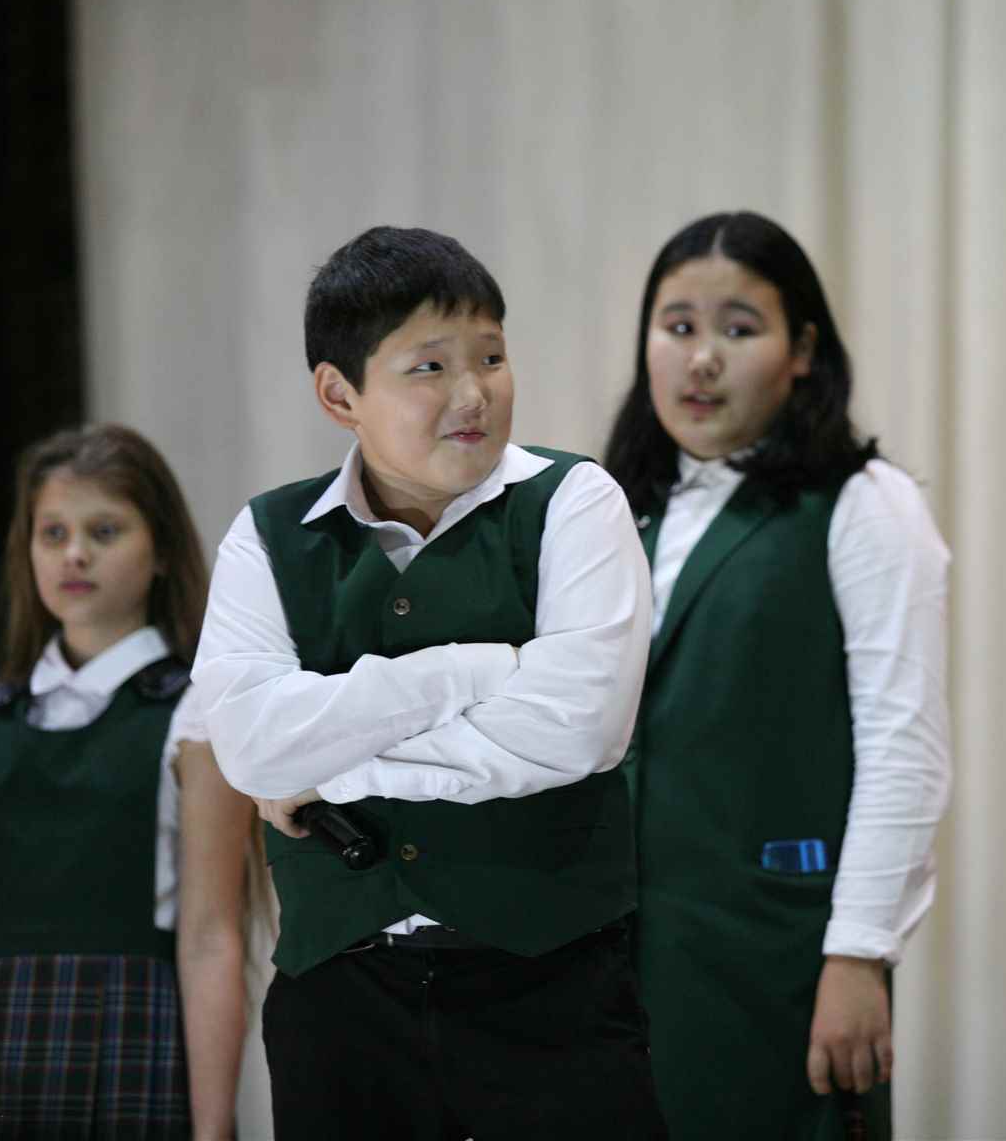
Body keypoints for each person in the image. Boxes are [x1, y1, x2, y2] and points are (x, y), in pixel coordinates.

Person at [192, 225, 668, 1139]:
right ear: (340, 394)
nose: (474, 392)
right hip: (340, 1003)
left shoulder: (575, 502)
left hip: (552, 992)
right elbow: (249, 746)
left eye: (491, 356)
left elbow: (578, 732)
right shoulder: (267, 536)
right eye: (430, 367)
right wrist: (475, 671)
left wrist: (327, 767)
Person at [603, 211, 952, 1140]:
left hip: (779, 961)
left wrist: (860, 954)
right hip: (612, 971)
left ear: (802, 351)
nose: (701, 359)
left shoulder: (866, 504)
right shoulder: (611, 513)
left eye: (738, 328)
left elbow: (905, 749)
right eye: (677, 326)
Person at [0, 424, 251, 1139]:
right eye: (53, 533)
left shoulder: (195, 714)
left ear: (160, 551)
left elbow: (211, 938)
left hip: (136, 1036)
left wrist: (213, 1130)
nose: (75, 554)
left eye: (104, 531)